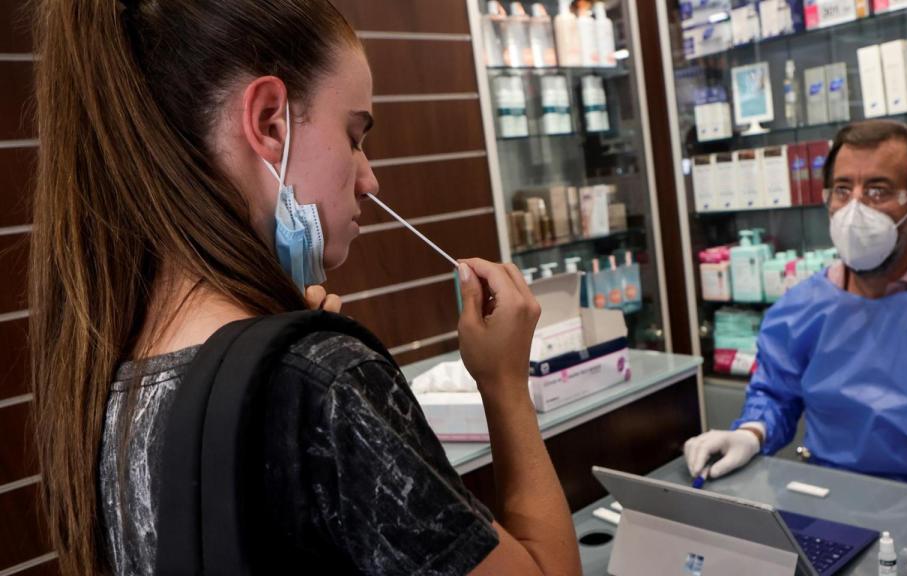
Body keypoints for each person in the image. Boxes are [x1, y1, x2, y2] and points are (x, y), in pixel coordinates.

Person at [28, 2, 582, 575]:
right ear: (271, 122)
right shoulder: (323, 379)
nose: (369, 179)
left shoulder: (108, 375)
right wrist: (504, 383)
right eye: (354, 136)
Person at [684, 120, 907, 538]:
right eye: (843, 190)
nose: (854, 209)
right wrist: (751, 432)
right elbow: (775, 394)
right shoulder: (803, 306)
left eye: (877, 191)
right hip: (829, 503)